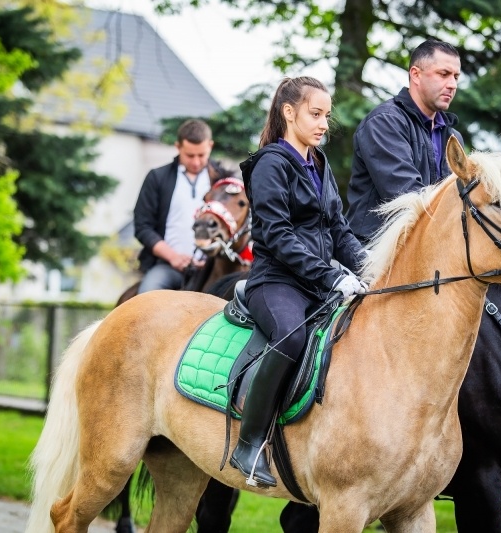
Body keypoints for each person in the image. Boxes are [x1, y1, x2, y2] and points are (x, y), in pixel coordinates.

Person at [230, 77, 367, 487]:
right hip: (275, 282)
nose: (325, 123)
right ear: (289, 113)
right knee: (290, 337)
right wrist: (330, 275)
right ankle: (249, 445)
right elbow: (276, 234)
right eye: (316, 114)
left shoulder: (320, 166)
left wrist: (368, 268)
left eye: (327, 115)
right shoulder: (271, 163)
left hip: (318, 283)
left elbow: (340, 231)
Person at [346, 38, 464, 244]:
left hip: (428, 250)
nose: (452, 84)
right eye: (443, 74)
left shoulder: (452, 136)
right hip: (373, 252)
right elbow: (407, 197)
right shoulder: (385, 122)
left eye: (456, 76)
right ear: (416, 75)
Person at [133, 119, 227, 293]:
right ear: (178, 147)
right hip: (168, 267)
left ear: (210, 146)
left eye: (202, 155)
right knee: (146, 299)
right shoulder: (157, 177)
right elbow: (143, 227)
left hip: (213, 269)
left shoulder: (222, 180)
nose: (196, 162)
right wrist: (173, 257)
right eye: (190, 155)